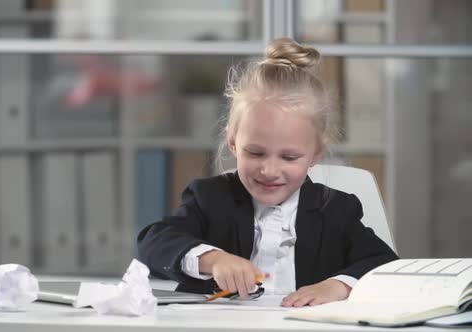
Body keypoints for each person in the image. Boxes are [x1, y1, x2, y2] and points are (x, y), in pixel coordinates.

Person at [137, 38, 398, 307]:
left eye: (289, 157)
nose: (269, 170)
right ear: (233, 142)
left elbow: (384, 263)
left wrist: (337, 286)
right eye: (255, 152)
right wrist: (213, 260)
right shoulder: (209, 198)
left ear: (316, 153)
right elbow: (154, 243)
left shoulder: (336, 210)